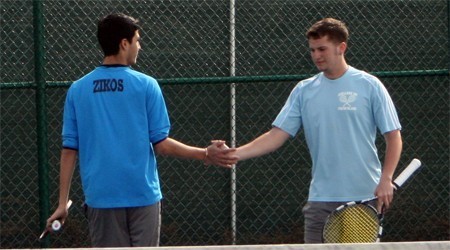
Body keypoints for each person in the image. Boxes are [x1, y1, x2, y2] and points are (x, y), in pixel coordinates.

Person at [46, 13, 238, 247]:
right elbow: (162, 144)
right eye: (137, 40)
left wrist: (61, 203)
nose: (140, 46)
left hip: (102, 198)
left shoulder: (77, 90)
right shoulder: (147, 85)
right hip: (142, 196)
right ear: (124, 44)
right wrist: (206, 154)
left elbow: (69, 150)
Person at [232, 18, 402, 243]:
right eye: (312, 50)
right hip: (320, 200)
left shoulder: (369, 86)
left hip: (362, 197)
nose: (316, 55)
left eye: (322, 49)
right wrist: (235, 154)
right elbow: (276, 135)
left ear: (341, 48)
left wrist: (386, 178)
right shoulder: (304, 90)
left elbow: (393, 136)